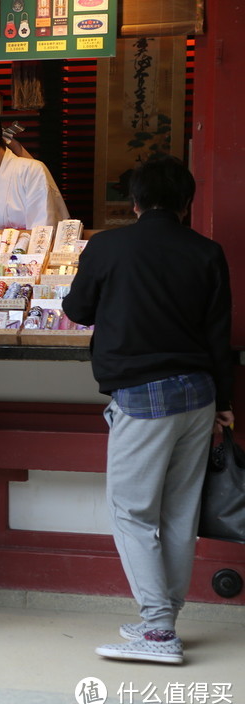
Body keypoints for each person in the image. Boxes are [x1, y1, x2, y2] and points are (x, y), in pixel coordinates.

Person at [62, 156, 234, 665]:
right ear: (186, 204)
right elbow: (218, 335)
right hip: (199, 396)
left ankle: (158, 633)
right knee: (179, 514)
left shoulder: (109, 246)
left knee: (131, 511)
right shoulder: (207, 252)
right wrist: (225, 403)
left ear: (134, 202)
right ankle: (163, 619)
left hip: (143, 397)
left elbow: (76, 310)